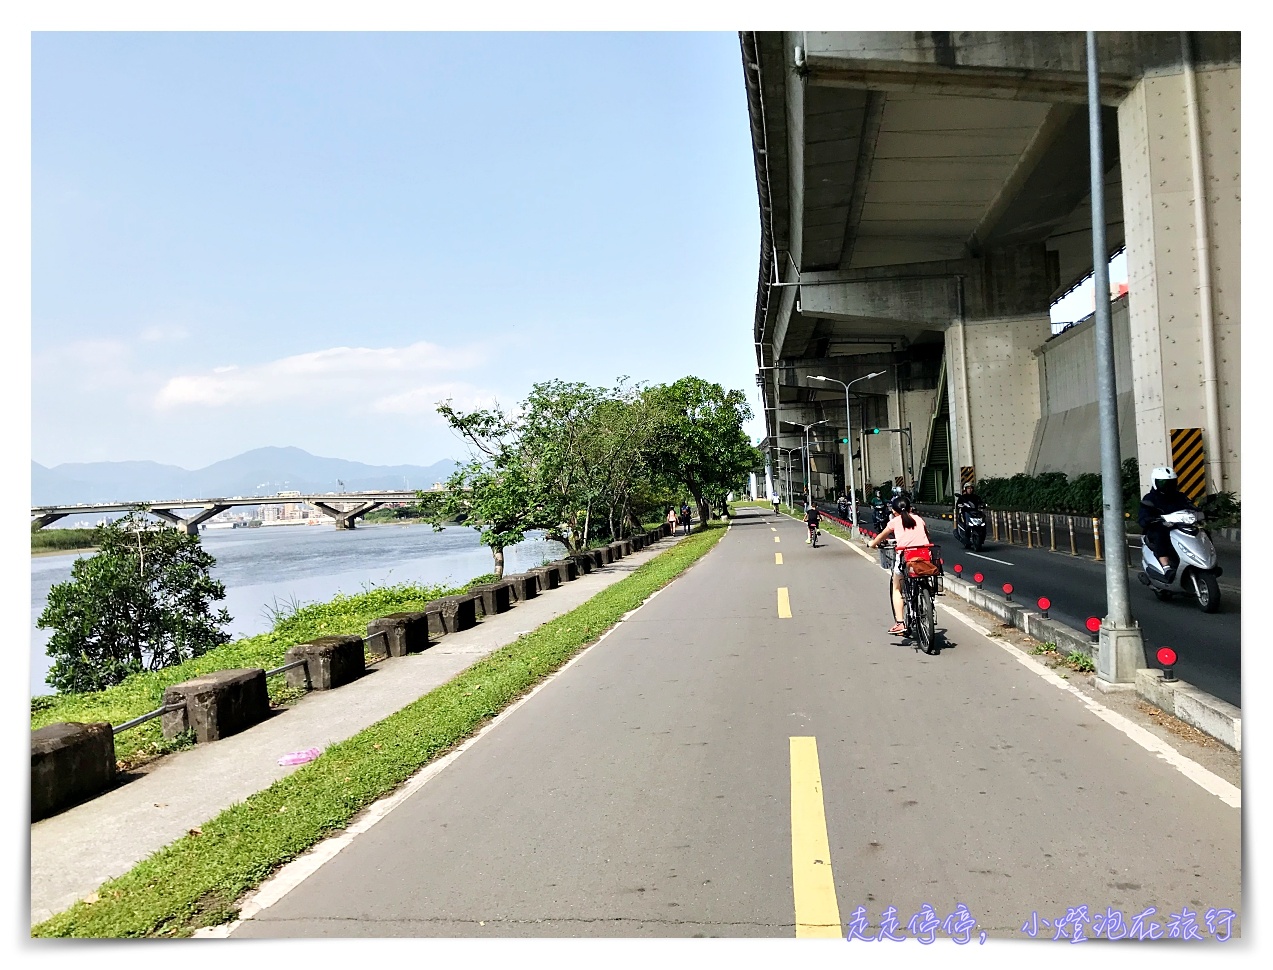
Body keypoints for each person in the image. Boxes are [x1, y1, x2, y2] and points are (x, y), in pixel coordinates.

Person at [867, 496, 934, 635]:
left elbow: (881, 536)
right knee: (923, 576)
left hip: (907, 558)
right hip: (924, 557)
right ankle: (926, 596)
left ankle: (900, 623)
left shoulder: (894, 521)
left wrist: (871, 544)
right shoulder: (919, 519)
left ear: (893, 511)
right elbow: (925, 535)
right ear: (910, 508)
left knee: (897, 588)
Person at [1138, 466, 1198, 575]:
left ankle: (1207, 560)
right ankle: (1166, 566)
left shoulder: (1180, 496)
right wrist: (1149, 519)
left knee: (1201, 533)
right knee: (1160, 533)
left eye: (1171, 483)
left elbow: (1190, 506)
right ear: (1155, 483)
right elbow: (1143, 516)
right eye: (1163, 483)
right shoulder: (1150, 498)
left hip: (1179, 526)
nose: (1167, 486)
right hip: (1159, 528)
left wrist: (1200, 512)